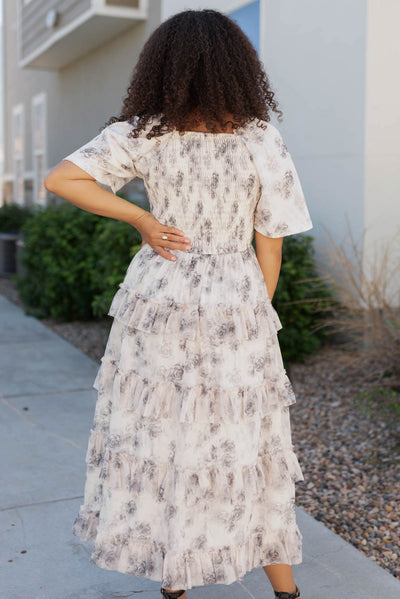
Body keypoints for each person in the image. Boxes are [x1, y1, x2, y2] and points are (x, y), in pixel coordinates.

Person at [45, 8, 313, 599]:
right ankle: (285, 590)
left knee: (163, 434)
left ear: (162, 69)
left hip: (159, 294)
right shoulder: (261, 139)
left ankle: (176, 582)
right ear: (240, 70)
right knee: (245, 437)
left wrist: (142, 217)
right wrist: (255, 312)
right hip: (234, 298)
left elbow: (61, 179)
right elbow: (271, 241)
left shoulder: (145, 131)